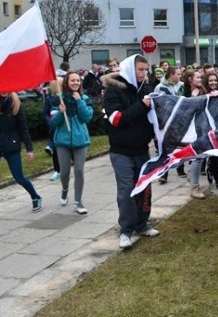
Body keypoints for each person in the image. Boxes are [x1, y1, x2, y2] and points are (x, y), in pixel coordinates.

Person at [102, 54, 159, 250]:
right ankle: (126, 230)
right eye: (140, 70)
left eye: (146, 70)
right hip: (121, 151)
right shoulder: (113, 90)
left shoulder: (147, 89)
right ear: (129, 70)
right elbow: (117, 119)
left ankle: (142, 225)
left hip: (142, 149)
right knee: (126, 191)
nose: (144, 73)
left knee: (144, 188)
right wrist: (142, 106)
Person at [51, 71, 94, 214]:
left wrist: (79, 101)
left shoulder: (85, 98)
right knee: (64, 172)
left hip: (80, 140)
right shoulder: (59, 99)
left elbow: (86, 118)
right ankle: (64, 190)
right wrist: (60, 112)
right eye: (72, 80)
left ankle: (78, 202)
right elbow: (53, 123)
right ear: (66, 83)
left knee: (79, 170)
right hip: (62, 141)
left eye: (78, 80)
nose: (76, 83)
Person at [0, 92, 43, 212]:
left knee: (19, 177)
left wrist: (29, 149)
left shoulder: (15, 103)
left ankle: (35, 197)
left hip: (11, 144)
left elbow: (23, 128)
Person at [181, 68, 208, 199]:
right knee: (198, 156)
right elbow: (184, 109)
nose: (200, 79)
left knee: (200, 156)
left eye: (201, 77)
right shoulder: (184, 92)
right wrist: (193, 97)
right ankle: (195, 187)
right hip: (190, 129)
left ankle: (192, 176)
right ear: (190, 80)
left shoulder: (203, 90)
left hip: (202, 127)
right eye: (198, 77)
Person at [202, 73, 218, 191]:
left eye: (215, 80)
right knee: (215, 155)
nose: (213, 83)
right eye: (210, 81)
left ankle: (210, 168)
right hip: (208, 129)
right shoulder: (202, 94)